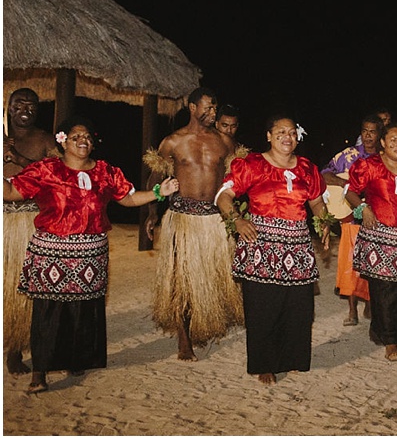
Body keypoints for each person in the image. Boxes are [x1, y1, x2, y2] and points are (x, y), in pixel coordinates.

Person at [4, 116, 178, 394]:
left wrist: (159, 192)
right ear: (62, 142)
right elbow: (12, 192)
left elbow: (128, 198)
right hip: (52, 252)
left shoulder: (106, 171)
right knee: (48, 313)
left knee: (82, 311)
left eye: (87, 136)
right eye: (75, 137)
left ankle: (76, 360)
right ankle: (40, 373)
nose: (83, 141)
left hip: (91, 253)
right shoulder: (47, 170)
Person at [215, 115, 331, 385]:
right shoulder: (252, 164)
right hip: (261, 245)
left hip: (298, 245)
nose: (287, 137)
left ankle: (292, 358)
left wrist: (323, 223)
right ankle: (264, 363)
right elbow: (224, 195)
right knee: (263, 307)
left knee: (298, 307)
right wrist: (237, 220)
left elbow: (315, 202)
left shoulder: (306, 167)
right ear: (268, 136)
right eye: (280, 132)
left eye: (292, 132)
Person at [144, 87, 243, 361]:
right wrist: (152, 213)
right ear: (191, 107)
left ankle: (205, 325)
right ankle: (184, 339)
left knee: (210, 279)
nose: (213, 113)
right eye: (208, 107)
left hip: (214, 221)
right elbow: (154, 180)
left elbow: (240, 179)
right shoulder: (172, 142)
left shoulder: (224, 142)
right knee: (183, 280)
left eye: (215, 108)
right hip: (182, 219)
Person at [345, 123, 397, 362]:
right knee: (384, 290)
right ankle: (390, 342)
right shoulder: (370, 165)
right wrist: (363, 208)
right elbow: (350, 191)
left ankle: (390, 332)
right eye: (394, 140)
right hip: (379, 236)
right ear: (384, 143)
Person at [3, 88, 56, 375]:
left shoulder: (45, 140)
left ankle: (17, 348)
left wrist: (17, 156)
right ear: (8, 108)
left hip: (29, 221)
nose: (26, 108)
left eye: (32, 104)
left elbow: (55, 178)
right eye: (19, 103)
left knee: (25, 287)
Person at [321, 114, 384, 326]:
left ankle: (368, 302)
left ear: (379, 134)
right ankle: (351, 310)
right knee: (349, 263)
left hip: (378, 219)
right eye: (364, 130)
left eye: (372, 131)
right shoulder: (348, 156)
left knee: (373, 263)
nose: (367, 135)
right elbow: (324, 174)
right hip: (351, 217)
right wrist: (343, 183)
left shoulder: (385, 158)